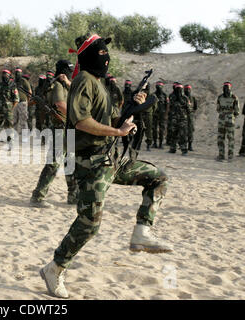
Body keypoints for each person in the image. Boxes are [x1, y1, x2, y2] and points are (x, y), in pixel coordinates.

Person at [40, 34, 171, 299]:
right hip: (91, 164)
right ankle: (55, 268)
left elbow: (111, 118)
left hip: (110, 160)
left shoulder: (98, 84)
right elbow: (81, 121)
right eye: (102, 53)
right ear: (91, 56)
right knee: (89, 224)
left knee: (157, 178)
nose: (106, 57)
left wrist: (134, 106)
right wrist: (118, 131)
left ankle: (142, 232)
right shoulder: (83, 81)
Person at [30, 60, 78, 208]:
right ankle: (38, 196)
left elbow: (76, 93)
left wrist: (68, 82)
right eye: (69, 70)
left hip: (68, 127)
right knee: (53, 163)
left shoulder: (64, 84)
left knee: (70, 162)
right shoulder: (56, 85)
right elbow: (60, 105)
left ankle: (73, 196)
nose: (70, 73)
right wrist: (76, 116)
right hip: (60, 128)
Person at [0, 70, 19, 149]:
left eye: (6, 74)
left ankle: (11, 145)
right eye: (3, 74)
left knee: (9, 128)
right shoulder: (0, 85)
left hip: (8, 110)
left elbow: (16, 100)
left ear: (9, 75)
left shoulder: (13, 86)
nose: (4, 76)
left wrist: (11, 109)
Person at [216, 82, 240, 162]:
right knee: (222, 138)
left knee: (229, 138)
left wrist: (230, 115)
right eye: (225, 87)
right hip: (225, 119)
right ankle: (223, 155)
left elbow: (236, 111)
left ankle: (228, 156)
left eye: (227, 87)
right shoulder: (221, 97)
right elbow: (236, 111)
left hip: (226, 119)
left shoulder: (233, 97)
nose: (226, 89)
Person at [168, 84, 190, 155]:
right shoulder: (172, 97)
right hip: (174, 119)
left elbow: (189, 109)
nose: (178, 91)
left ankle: (184, 150)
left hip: (182, 119)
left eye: (180, 89)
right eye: (177, 89)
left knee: (182, 135)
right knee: (173, 134)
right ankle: (172, 148)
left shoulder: (185, 98)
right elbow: (169, 107)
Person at [13, 67, 32, 136]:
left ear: (21, 73)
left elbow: (29, 91)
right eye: (16, 72)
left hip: (22, 102)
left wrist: (28, 101)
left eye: (19, 72)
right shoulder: (13, 81)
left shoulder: (24, 81)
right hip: (15, 102)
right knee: (14, 120)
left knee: (23, 120)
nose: (17, 73)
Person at [152, 82, 168, 149]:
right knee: (154, 129)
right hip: (154, 114)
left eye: (160, 86)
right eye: (158, 86)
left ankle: (160, 144)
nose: (159, 87)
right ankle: (155, 143)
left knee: (162, 130)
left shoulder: (164, 95)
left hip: (162, 115)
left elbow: (167, 105)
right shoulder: (153, 95)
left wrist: (166, 114)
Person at [184, 85, 198, 151]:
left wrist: (191, 113)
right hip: (183, 117)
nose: (187, 90)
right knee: (183, 131)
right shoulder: (182, 98)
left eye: (189, 89)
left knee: (190, 131)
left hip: (190, 117)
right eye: (186, 89)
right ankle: (183, 145)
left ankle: (190, 145)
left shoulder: (193, 98)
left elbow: (195, 107)